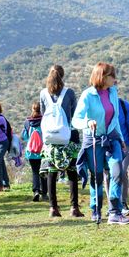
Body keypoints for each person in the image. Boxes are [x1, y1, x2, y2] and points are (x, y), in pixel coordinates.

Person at [71, 62, 129, 225]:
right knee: (97, 176)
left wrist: (121, 138)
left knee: (117, 172)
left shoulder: (113, 92)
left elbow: (116, 118)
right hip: (93, 140)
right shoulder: (87, 95)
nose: (115, 79)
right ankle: (96, 209)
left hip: (112, 138)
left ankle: (114, 212)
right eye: (113, 76)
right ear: (103, 77)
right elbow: (75, 120)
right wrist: (88, 122)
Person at [40, 64, 83, 218]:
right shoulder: (69, 93)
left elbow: (44, 114)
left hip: (50, 138)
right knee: (71, 172)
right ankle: (74, 208)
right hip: (69, 135)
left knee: (51, 173)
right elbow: (75, 113)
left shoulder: (43, 93)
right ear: (62, 75)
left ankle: (53, 208)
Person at [21, 101, 46, 202]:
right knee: (44, 172)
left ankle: (36, 191)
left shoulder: (27, 122)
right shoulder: (44, 120)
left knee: (35, 172)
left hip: (31, 152)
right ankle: (44, 193)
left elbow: (24, 136)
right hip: (43, 151)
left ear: (32, 109)